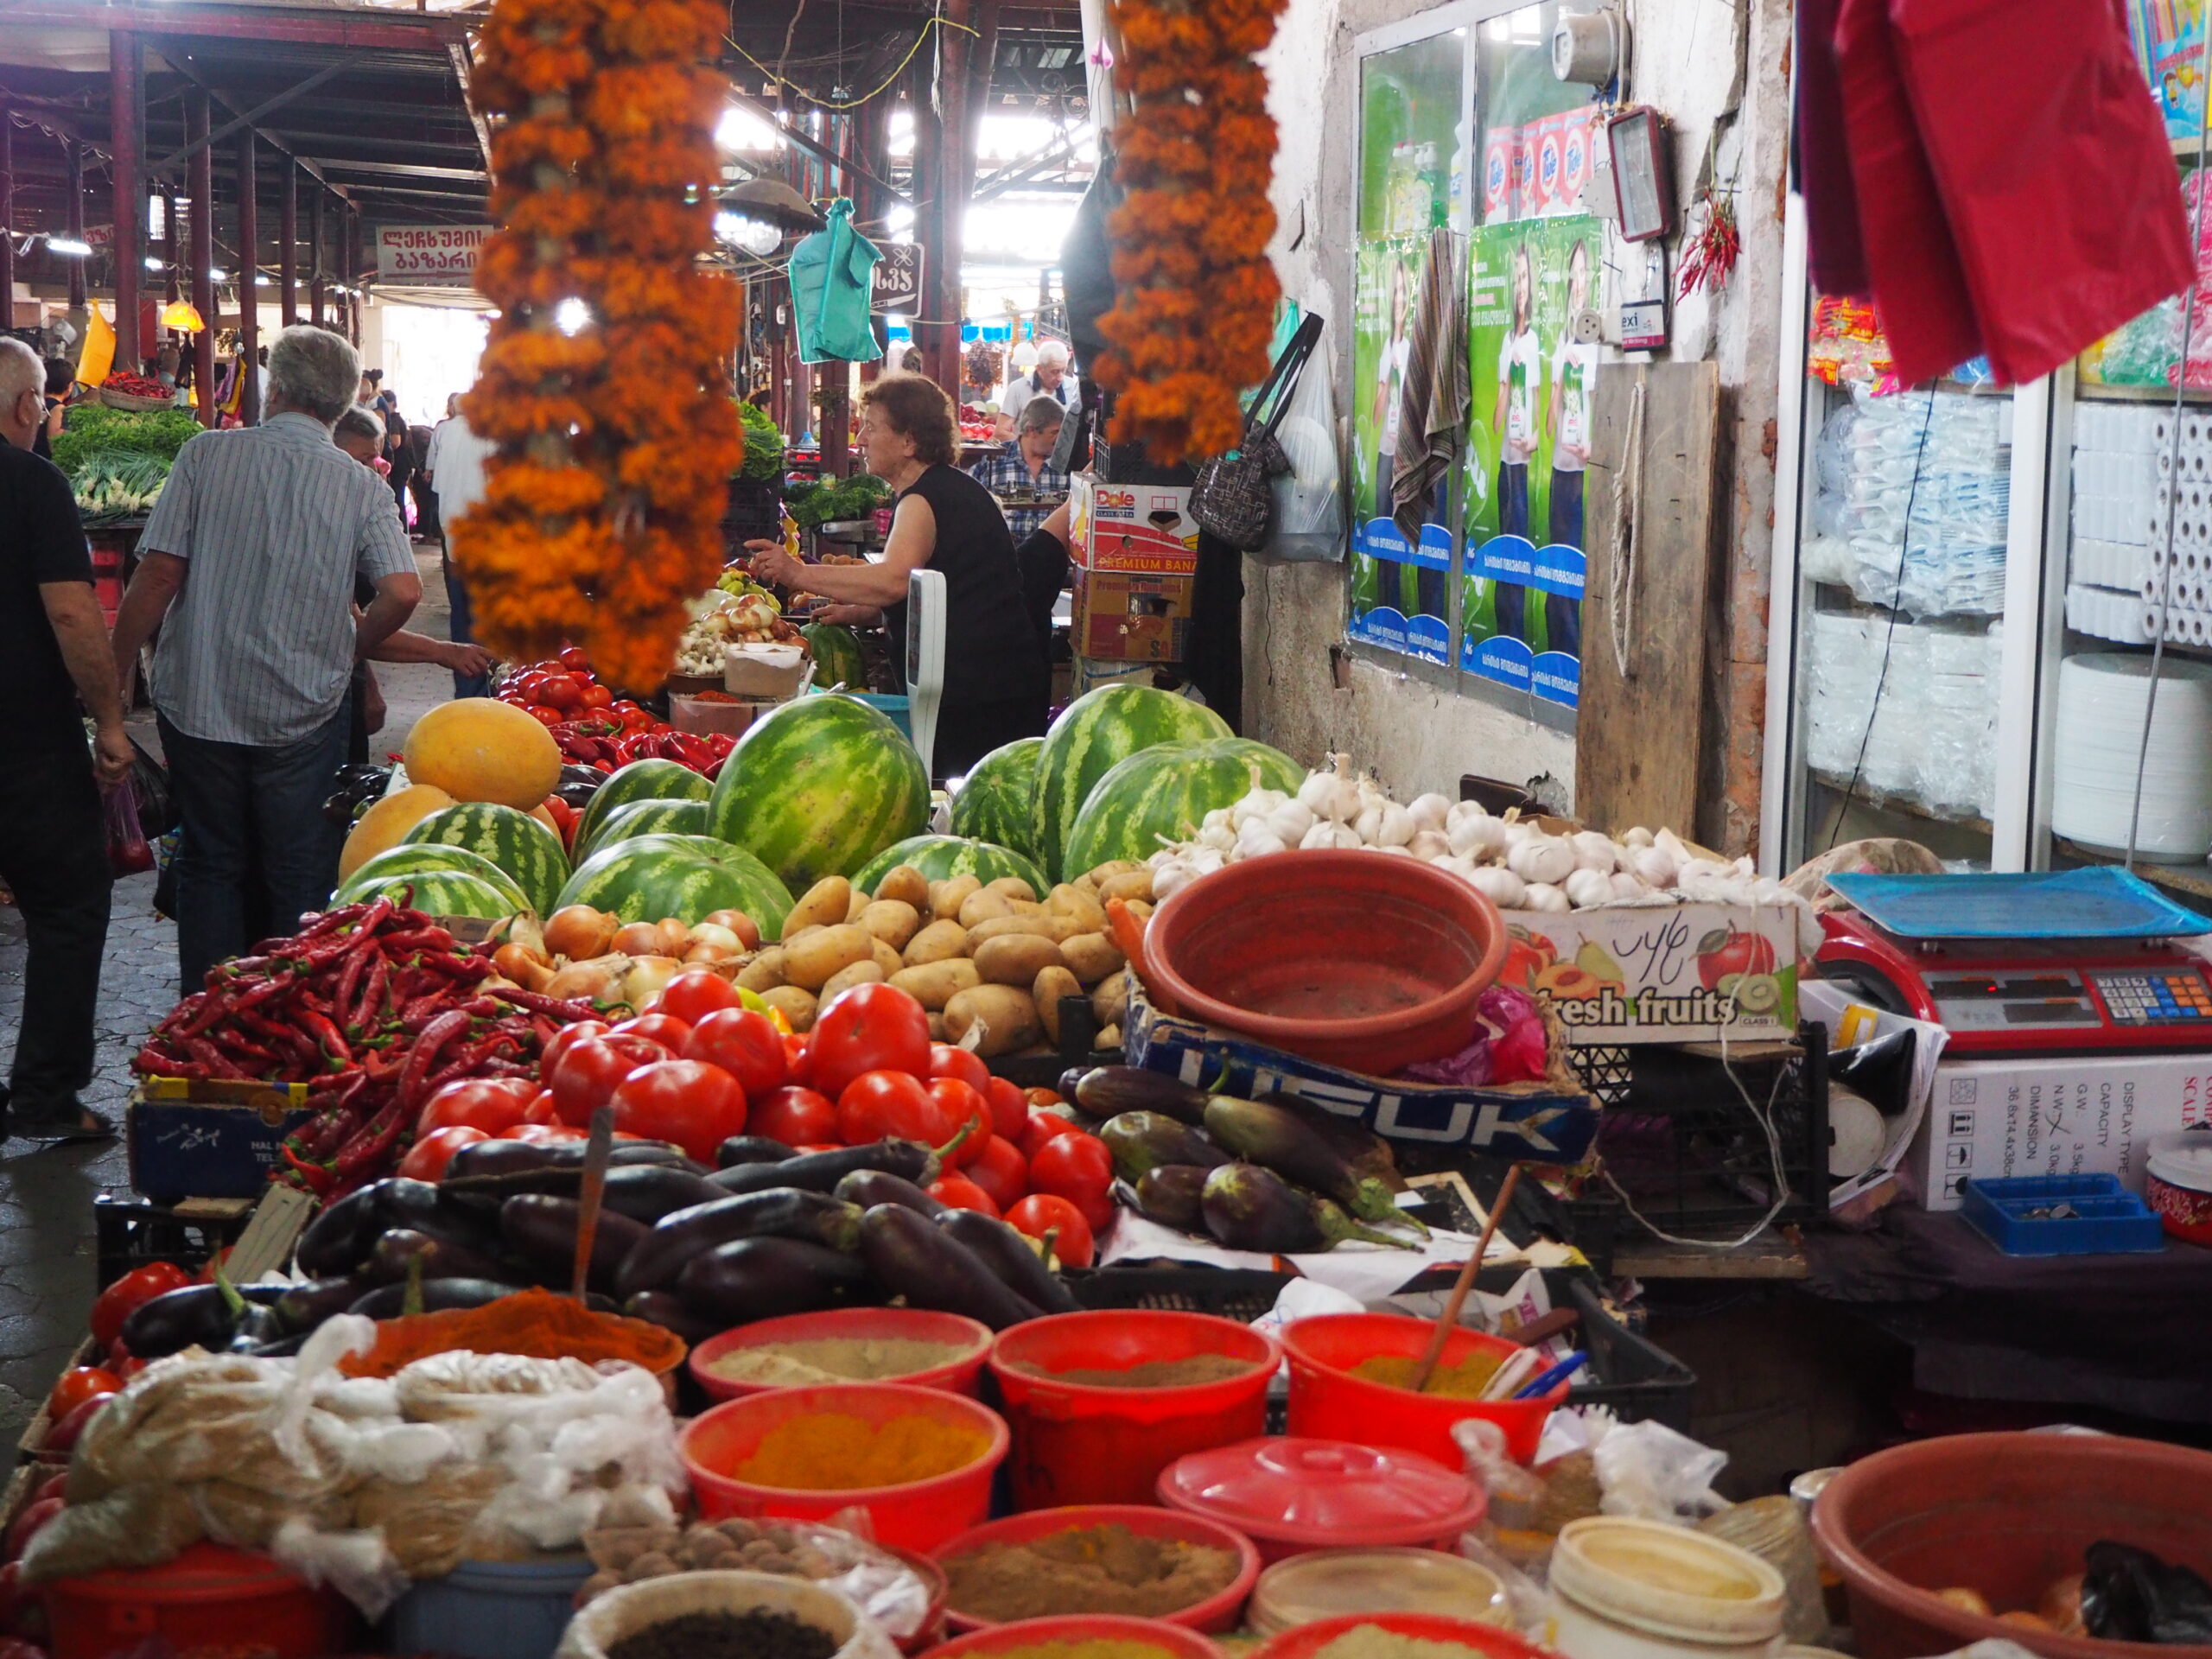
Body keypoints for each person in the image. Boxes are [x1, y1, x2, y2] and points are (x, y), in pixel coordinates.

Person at [109, 323, 422, 992]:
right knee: (297, 869)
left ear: (274, 388)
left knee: (213, 862)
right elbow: (402, 590)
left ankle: (209, 1017)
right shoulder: (361, 486)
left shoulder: (205, 456)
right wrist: (350, 650)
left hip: (198, 700)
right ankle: (287, 1022)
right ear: (339, 405)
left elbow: (159, 576)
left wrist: (112, 673)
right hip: (303, 710)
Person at [747, 373, 1046, 779]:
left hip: (979, 699)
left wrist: (795, 572)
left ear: (909, 441)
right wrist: (866, 612)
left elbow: (894, 580)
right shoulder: (943, 489)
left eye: (871, 426)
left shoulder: (924, 497)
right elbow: (946, 586)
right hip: (994, 691)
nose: (861, 438)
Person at [0, 338, 132, 1140]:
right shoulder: (29, 482)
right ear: (24, 407)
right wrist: (111, 721)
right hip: (23, 744)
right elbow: (74, 612)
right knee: (68, 909)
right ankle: (45, 1096)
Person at [1541, 235, 1596, 662]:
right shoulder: (1564, 339)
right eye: (1572, 273)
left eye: (1584, 272)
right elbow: (1551, 413)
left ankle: (1576, 656)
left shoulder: (1599, 339)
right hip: (1562, 465)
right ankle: (1555, 649)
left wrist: (1590, 448)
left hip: (1587, 471)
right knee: (1557, 561)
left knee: (1580, 565)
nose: (1578, 282)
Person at [422, 393, 497, 698]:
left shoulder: (445, 430)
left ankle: (466, 690)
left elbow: (436, 481)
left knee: (461, 611)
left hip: (452, 525)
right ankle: (487, 689)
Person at [1490, 242, 1542, 645]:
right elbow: (1501, 403)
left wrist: (1533, 436)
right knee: (1503, 547)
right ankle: (1502, 632)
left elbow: (1538, 405)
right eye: (1515, 279)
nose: (1519, 286)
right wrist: (1500, 406)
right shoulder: (1509, 341)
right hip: (1505, 465)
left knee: (1520, 552)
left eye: (1525, 277)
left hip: (1524, 466)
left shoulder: (1535, 341)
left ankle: (1518, 636)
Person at [969, 396, 1070, 542]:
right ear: (1031, 431)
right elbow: (965, 508)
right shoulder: (992, 461)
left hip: (1049, 556)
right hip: (1002, 555)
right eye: (1054, 433)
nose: (1061, 439)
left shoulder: (1066, 464)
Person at [995, 340, 1076, 442]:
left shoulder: (1073, 388)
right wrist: (1028, 446)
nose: (1060, 377)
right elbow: (1000, 432)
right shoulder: (1018, 388)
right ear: (1039, 368)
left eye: (1063, 371)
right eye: (1054, 372)